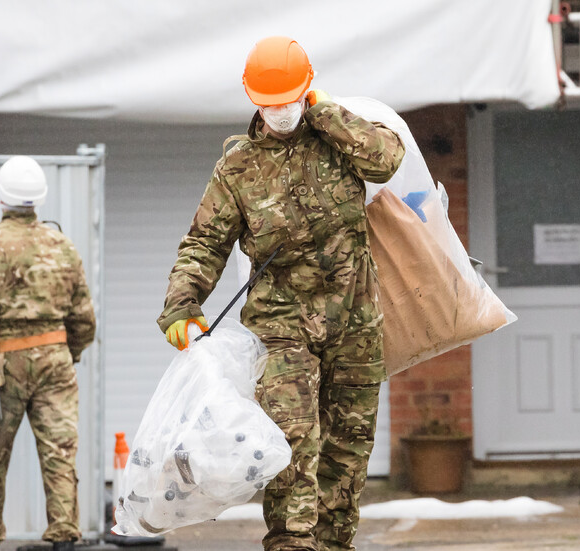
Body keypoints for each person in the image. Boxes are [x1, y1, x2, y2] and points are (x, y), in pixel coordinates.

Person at [158, 36, 405, 551]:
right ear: (254, 100)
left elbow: (387, 159)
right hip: (281, 327)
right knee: (293, 442)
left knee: (347, 451)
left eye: (290, 99)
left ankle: (334, 544)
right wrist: (182, 305)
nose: (282, 111)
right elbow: (204, 243)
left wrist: (329, 116)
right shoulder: (238, 167)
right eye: (271, 102)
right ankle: (290, 544)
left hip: (354, 323)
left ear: (307, 90)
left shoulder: (340, 143)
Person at [0, 156, 96, 551]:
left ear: (1, 198)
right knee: (59, 456)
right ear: (39, 199)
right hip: (56, 362)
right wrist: (68, 354)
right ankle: (64, 541)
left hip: (3, 367)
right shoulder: (63, 245)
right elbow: (84, 317)